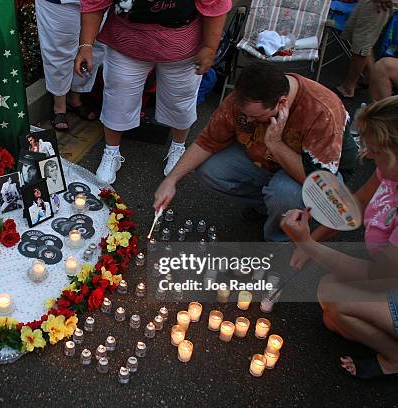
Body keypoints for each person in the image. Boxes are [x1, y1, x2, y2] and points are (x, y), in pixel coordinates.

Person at [154, 61, 357, 242]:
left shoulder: (322, 110)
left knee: (283, 194)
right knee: (209, 169)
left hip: (318, 179)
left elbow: (318, 180)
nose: (248, 120)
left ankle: (279, 240)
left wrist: (275, 144)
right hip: (266, 161)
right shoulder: (245, 98)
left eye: (256, 116)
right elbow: (208, 140)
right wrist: (170, 181)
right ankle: (270, 207)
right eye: (245, 115)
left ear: (281, 103)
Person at [281, 96, 398, 379]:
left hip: (387, 276)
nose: (368, 156)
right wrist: (313, 243)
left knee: (334, 299)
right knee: (332, 317)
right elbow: (355, 205)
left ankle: (394, 360)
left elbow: (376, 275)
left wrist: (307, 243)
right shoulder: (390, 170)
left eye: (375, 150)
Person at [75, 0, 231, 183]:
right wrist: (86, 46)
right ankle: (111, 152)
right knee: (118, 98)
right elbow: (94, 3)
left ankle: (178, 147)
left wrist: (210, 47)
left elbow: (216, 4)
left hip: (183, 46)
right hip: (127, 42)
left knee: (180, 100)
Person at [35, 0, 106, 131]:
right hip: (59, 4)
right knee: (59, 52)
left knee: (95, 49)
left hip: (100, 3)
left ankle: (75, 98)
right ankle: (59, 107)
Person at [335, 0, 398, 99]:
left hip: (376, 5)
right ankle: (372, 78)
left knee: (362, 43)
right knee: (358, 38)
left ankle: (348, 87)